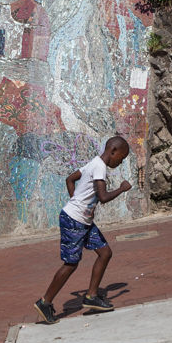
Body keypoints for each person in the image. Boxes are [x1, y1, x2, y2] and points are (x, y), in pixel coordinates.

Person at [34, 135, 132, 324]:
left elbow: (70, 179)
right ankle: (45, 302)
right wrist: (122, 189)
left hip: (83, 221)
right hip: (74, 220)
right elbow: (103, 197)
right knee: (71, 264)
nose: (120, 163)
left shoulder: (93, 163)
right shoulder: (99, 167)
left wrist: (76, 201)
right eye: (121, 158)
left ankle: (91, 296)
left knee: (105, 252)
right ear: (113, 151)